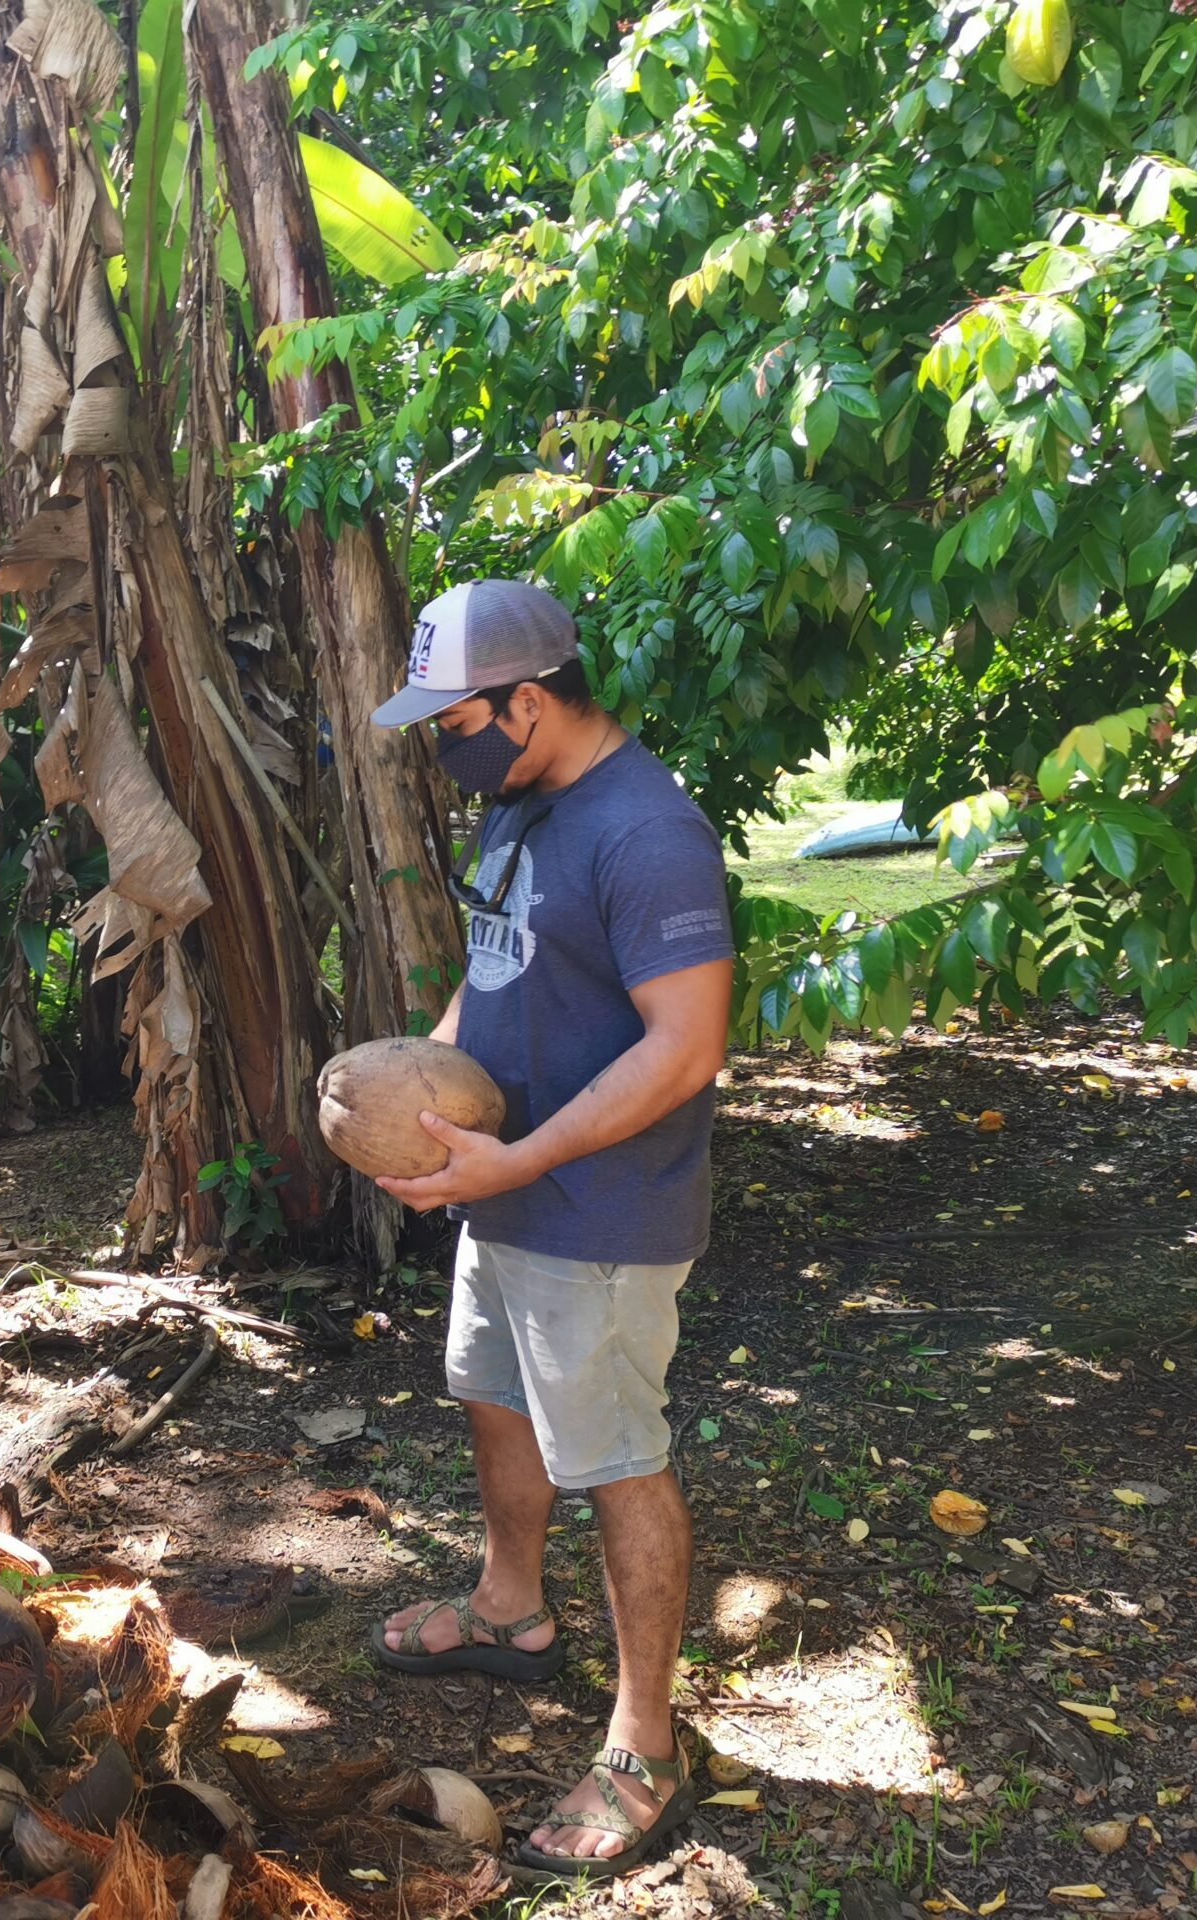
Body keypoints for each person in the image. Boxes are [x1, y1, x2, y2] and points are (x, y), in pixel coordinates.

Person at [363, 577, 733, 1878]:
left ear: (530, 700)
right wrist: (419, 1095)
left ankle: (644, 1744)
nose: (443, 746)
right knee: (493, 1399)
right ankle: (511, 1610)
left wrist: (520, 1155)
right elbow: (494, 965)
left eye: (455, 719)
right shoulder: (521, 803)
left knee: (619, 1458)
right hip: (507, 1192)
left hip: (601, 1215)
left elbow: (686, 1049)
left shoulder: (647, 835)